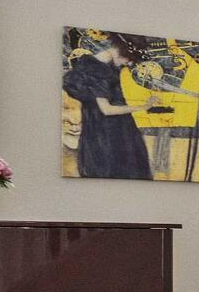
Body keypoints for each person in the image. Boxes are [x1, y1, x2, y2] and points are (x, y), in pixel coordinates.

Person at [64, 32, 153, 181]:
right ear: (122, 52)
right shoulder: (99, 69)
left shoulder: (98, 65)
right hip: (108, 133)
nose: (129, 64)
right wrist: (142, 107)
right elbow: (107, 109)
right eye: (130, 59)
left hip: (106, 129)